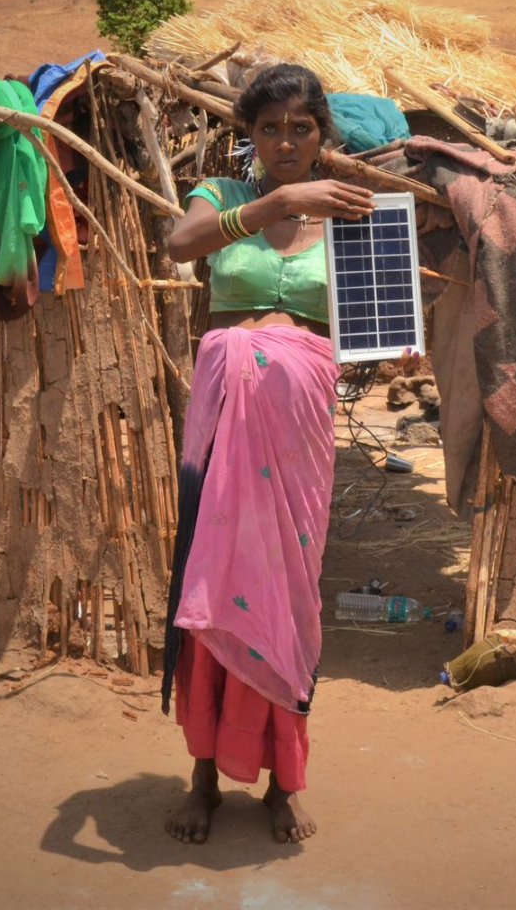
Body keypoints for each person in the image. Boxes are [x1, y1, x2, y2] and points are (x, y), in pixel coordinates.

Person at [160, 64, 375, 845]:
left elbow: (369, 328)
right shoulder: (220, 196)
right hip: (224, 422)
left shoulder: (352, 213)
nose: (286, 142)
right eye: (269, 128)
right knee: (213, 583)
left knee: (287, 593)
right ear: (248, 135)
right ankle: (203, 779)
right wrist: (275, 204)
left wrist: (395, 348)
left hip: (298, 427)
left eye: (301, 128)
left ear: (322, 134)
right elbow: (180, 244)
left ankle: (284, 784)